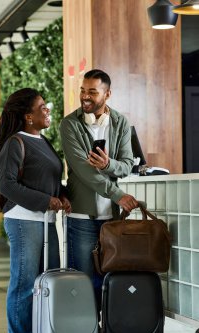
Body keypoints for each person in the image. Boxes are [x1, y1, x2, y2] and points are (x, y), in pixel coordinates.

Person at [0, 88, 71, 333]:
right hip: (23, 221)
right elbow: (8, 185)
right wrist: (46, 200)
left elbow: (50, 178)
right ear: (28, 116)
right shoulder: (14, 143)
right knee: (23, 282)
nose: (47, 110)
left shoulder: (42, 141)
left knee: (45, 280)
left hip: (45, 219)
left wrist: (62, 196)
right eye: (42, 107)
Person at [59, 69, 138, 311]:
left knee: (109, 278)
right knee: (82, 282)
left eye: (92, 92)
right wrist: (118, 194)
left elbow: (126, 165)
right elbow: (83, 171)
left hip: (111, 218)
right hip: (81, 217)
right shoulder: (69, 124)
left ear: (107, 94)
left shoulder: (121, 123)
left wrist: (108, 164)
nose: (85, 96)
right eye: (83, 90)